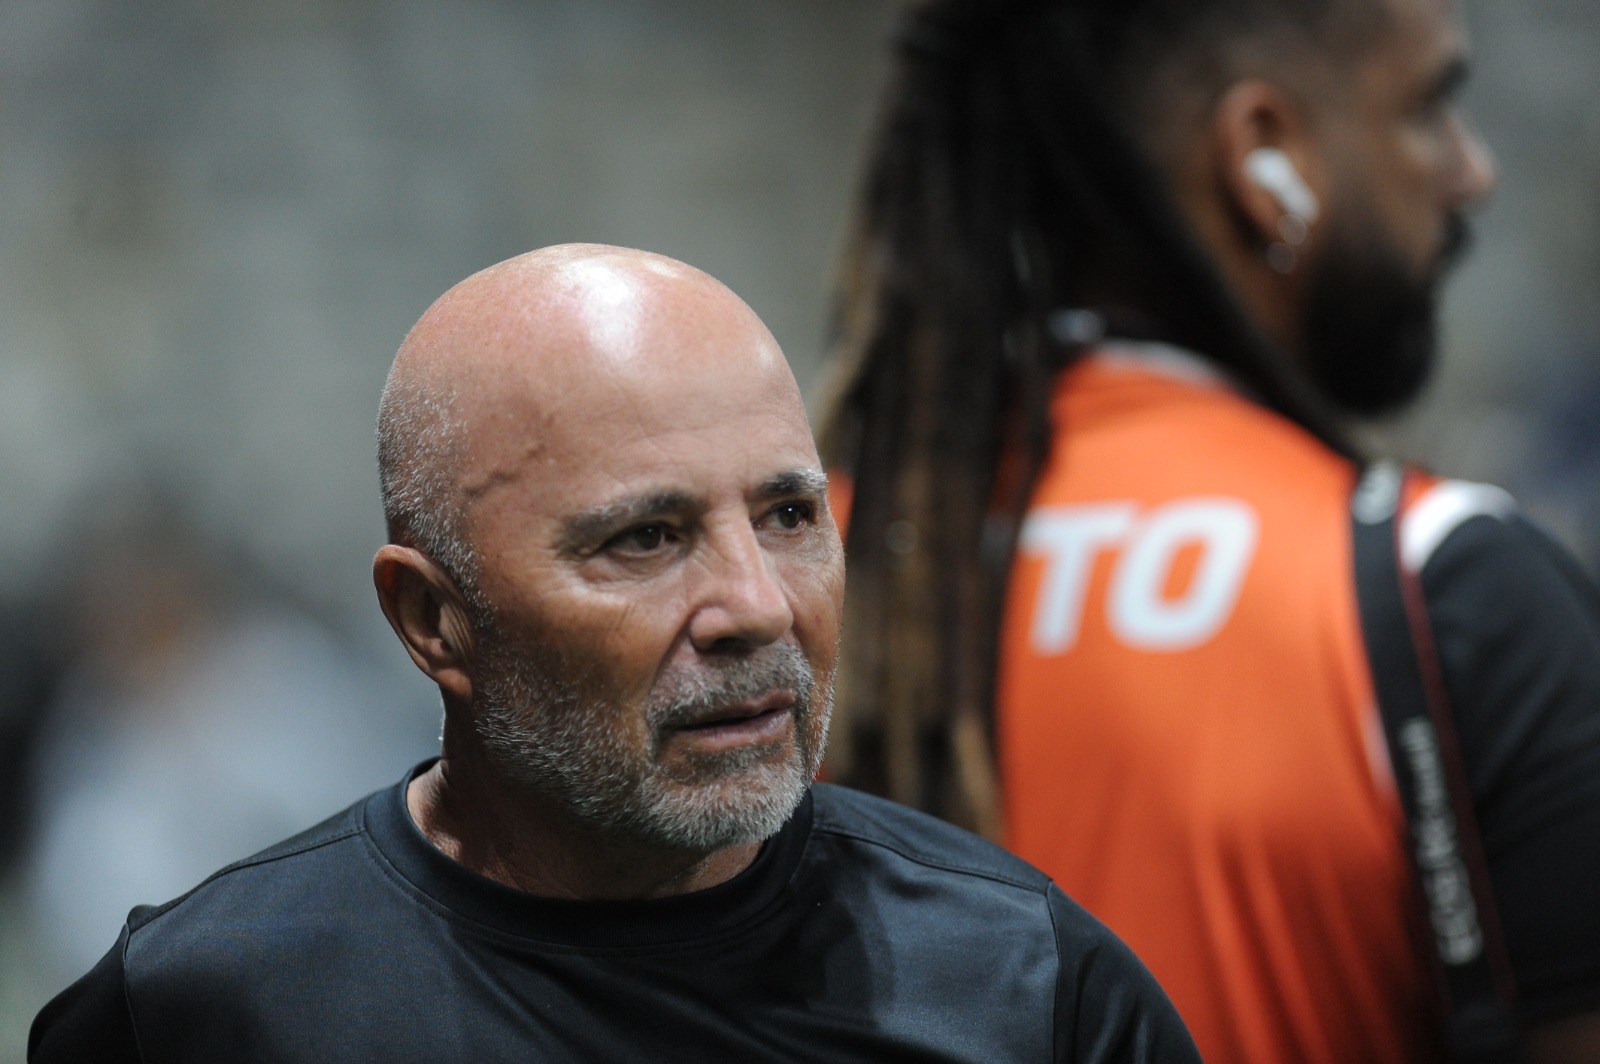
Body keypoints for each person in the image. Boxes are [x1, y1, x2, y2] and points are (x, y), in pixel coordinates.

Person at [28, 244, 1199, 1063]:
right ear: (434, 622)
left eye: (791, 517)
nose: (756, 604)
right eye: (646, 537)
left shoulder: (1031, 989)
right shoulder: (197, 1013)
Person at [821, 1, 1600, 1061]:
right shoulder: (1437, 585)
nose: (1470, 172)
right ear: (1261, 158)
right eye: (1428, 106)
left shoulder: (812, 576)